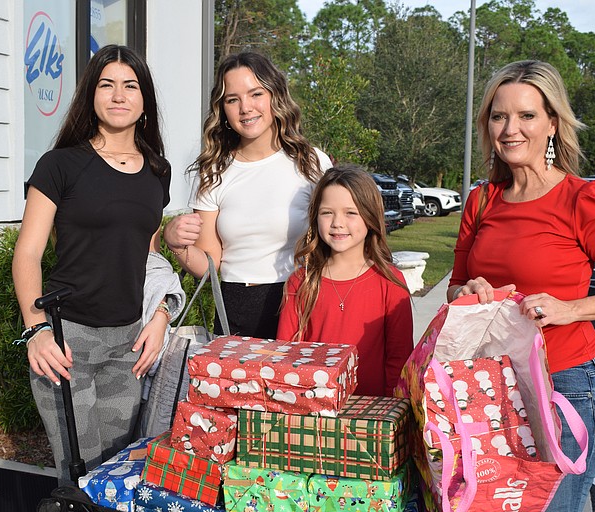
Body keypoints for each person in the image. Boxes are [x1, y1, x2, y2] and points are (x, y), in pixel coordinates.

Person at [448, 60, 595, 512]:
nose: (510, 129)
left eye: (525, 116)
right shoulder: (482, 200)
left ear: (553, 124)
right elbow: (455, 284)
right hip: (494, 392)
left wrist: (569, 309)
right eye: (498, 117)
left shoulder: (583, 198)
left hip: (566, 388)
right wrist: (469, 288)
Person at [12, 44, 173, 486]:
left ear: (144, 102)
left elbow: (148, 255)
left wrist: (160, 314)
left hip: (128, 345)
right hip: (67, 343)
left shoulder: (159, 172)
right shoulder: (60, 165)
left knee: (120, 472)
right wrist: (36, 329)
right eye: (107, 85)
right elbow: (27, 253)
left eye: (130, 85)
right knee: (78, 476)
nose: (118, 95)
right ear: (91, 95)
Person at [163, 51, 332, 339]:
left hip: (301, 302)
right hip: (236, 310)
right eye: (232, 99)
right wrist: (175, 244)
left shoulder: (313, 163)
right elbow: (209, 265)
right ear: (223, 109)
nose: (245, 108)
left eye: (255, 94)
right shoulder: (213, 171)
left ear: (274, 96)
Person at [277, 165, 413, 397]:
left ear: (370, 217)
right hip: (314, 415)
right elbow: (285, 357)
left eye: (351, 213)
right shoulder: (301, 282)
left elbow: (399, 361)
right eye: (327, 212)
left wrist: (392, 415)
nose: (337, 223)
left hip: (371, 418)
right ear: (315, 216)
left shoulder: (391, 282)